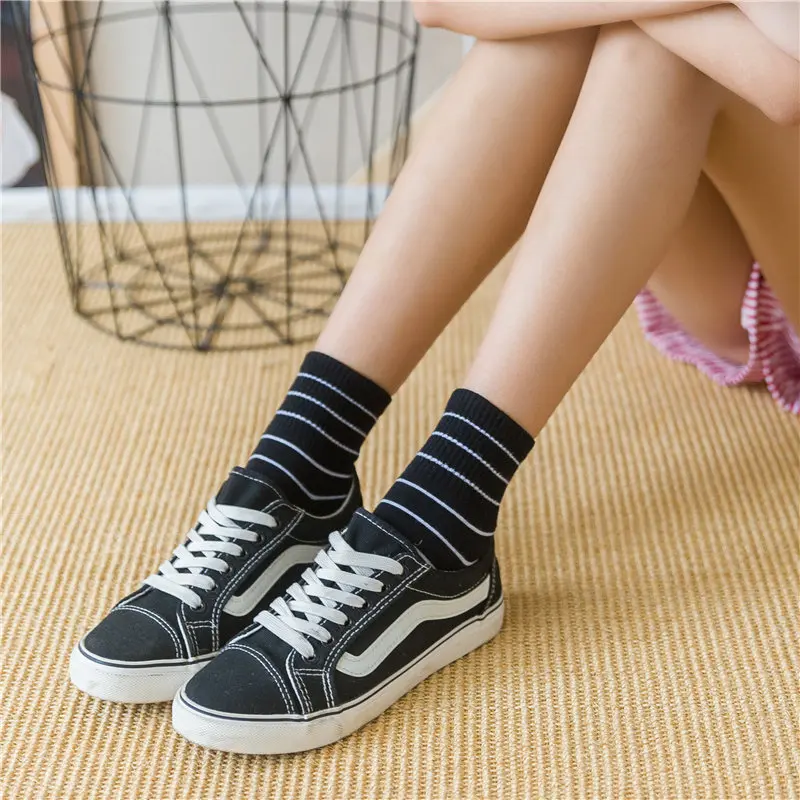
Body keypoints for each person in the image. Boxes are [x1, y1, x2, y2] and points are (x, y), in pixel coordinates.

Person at [69, 1, 799, 754]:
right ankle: (302, 465)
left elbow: (785, 76)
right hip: (741, 263)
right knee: (553, 37)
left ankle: (445, 519)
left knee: (645, 48)